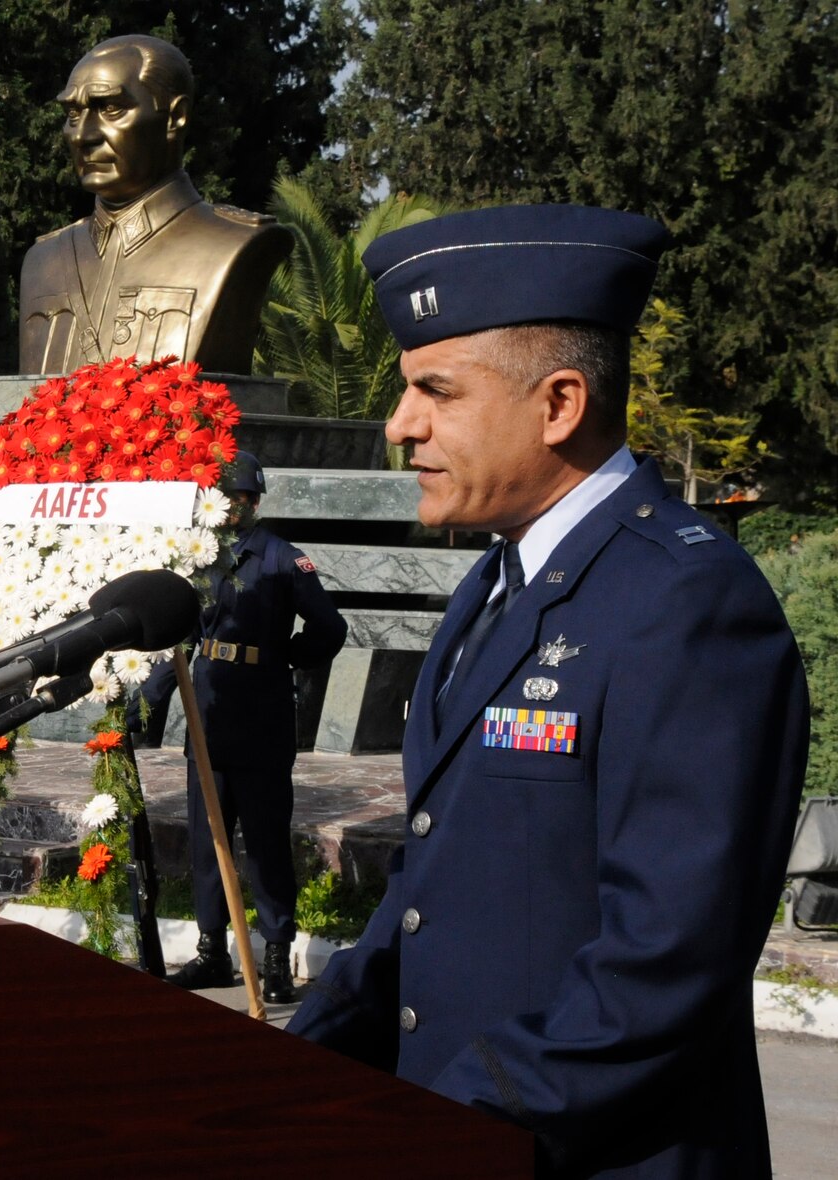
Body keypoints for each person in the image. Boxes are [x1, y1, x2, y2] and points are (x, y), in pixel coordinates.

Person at [286, 205, 808, 1176]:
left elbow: (662, 962)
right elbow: (425, 893)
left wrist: (457, 1121)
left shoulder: (683, 602)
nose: (400, 425)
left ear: (557, 403)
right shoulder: (493, 585)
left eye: (433, 392)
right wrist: (281, 1072)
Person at [131, 453, 347, 1001]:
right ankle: (210, 950)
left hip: (263, 717)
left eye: (246, 498)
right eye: (227, 500)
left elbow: (329, 626)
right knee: (209, 842)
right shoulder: (197, 560)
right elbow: (178, 638)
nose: (235, 508)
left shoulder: (281, 559)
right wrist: (145, 701)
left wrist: (285, 657)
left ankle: (275, 954)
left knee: (267, 841)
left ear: (257, 501)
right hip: (210, 716)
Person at [18, 34, 291, 376]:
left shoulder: (234, 242)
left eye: (110, 108)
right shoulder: (44, 261)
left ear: (175, 117)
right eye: (73, 114)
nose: (83, 135)